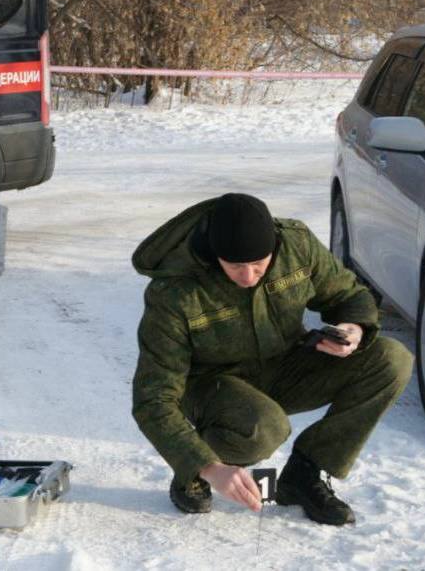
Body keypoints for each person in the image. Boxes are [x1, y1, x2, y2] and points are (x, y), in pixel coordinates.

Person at [131, 193, 413, 525]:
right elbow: (153, 399)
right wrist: (208, 466)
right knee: (263, 428)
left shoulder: (297, 245)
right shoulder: (174, 293)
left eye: (259, 264)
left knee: (391, 359)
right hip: (213, 386)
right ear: (213, 254)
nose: (249, 276)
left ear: (275, 247)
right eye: (235, 266)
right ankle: (193, 473)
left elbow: (349, 294)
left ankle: (303, 474)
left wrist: (353, 328)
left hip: (286, 363)